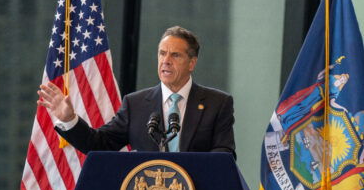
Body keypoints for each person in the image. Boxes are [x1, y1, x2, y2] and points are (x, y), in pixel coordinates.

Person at [37, 26, 236, 158]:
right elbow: (99, 145)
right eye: (162, 53)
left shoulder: (217, 103)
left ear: (192, 63)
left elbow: (224, 154)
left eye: (175, 55)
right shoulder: (136, 104)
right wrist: (69, 119)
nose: (166, 60)